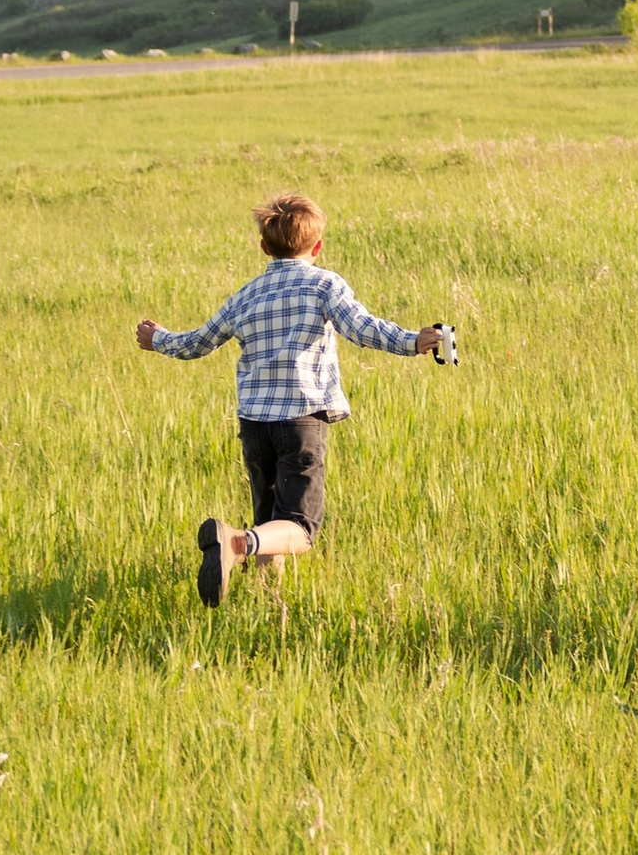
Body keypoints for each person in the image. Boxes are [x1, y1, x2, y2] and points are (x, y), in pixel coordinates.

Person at [137, 188, 455, 607]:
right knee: (299, 529)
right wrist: (414, 341)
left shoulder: (246, 295)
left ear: (264, 247)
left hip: (254, 427)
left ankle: (272, 609)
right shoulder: (325, 285)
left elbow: (198, 342)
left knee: (272, 523)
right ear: (318, 246)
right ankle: (235, 543)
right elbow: (363, 329)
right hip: (302, 420)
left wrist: (157, 339)